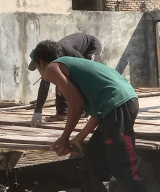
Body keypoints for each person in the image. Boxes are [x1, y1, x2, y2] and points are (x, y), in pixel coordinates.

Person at [32, 40, 145, 191]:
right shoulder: (73, 66)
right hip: (120, 104)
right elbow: (98, 114)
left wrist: (65, 137)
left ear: (41, 62)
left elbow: (76, 104)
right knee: (94, 152)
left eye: (37, 68)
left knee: (121, 162)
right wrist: (79, 138)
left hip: (118, 105)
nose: (41, 75)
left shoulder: (52, 68)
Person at [29, 33, 103, 126]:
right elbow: (45, 83)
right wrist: (37, 111)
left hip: (91, 47)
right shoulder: (49, 59)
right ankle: (62, 113)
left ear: (42, 62)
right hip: (71, 53)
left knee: (81, 78)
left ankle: (87, 113)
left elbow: (85, 68)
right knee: (60, 80)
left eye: (38, 67)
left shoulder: (67, 51)